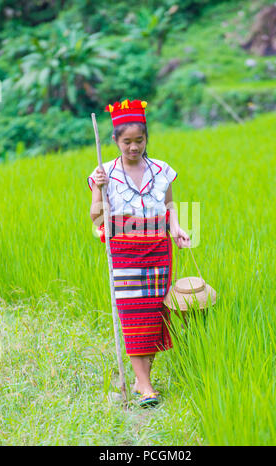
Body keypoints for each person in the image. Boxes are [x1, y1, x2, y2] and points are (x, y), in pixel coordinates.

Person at [87, 99, 190, 407]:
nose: (134, 147)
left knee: (157, 314)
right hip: (124, 251)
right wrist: (99, 191)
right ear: (116, 141)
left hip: (158, 249)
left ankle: (139, 380)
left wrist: (178, 229)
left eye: (139, 141)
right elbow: (96, 217)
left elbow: (169, 208)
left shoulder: (162, 170)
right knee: (134, 315)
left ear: (147, 139)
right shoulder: (104, 173)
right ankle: (145, 385)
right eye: (127, 142)